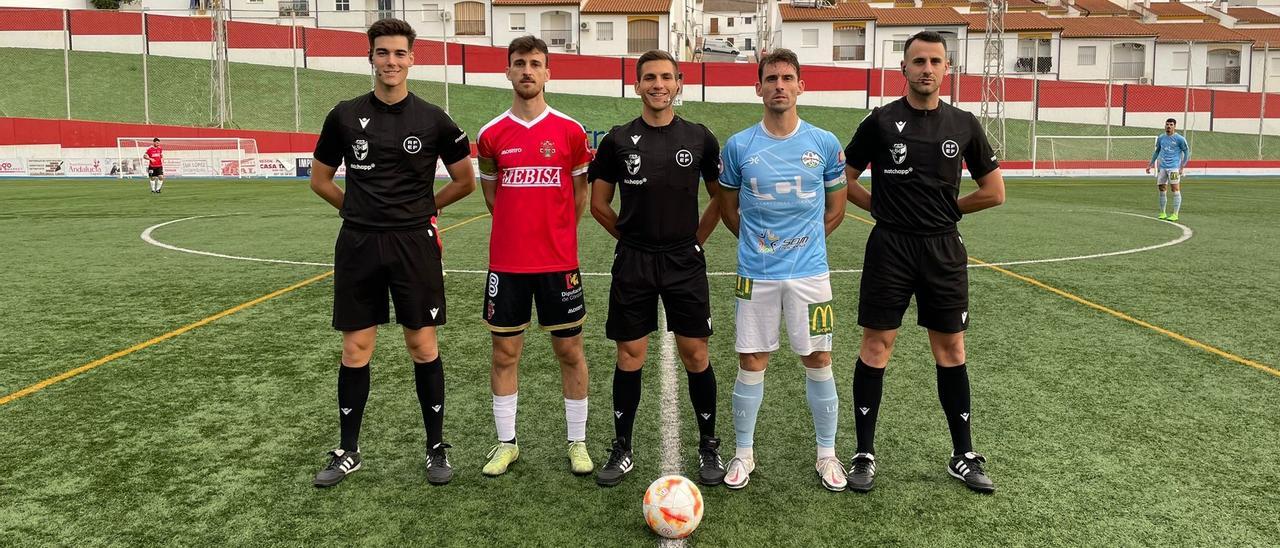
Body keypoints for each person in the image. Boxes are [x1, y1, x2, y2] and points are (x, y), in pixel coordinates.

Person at [308, 18, 476, 488]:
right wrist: (359, 209)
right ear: (370, 57)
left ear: (412, 59)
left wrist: (424, 210)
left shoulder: (433, 118)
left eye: (400, 53)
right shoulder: (343, 115)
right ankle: (348, 450)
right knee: (355, 347)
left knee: (422, 345)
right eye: (383, 53)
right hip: (359, 243)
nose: (391, 62)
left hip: (412, 244)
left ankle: (436, 448)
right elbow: (320, 180)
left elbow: (464, 181)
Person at [842, 30, 1005, 494]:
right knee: (877, 346)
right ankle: (864, 454)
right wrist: (875, 206)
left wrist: (953, 208)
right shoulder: (879, 121)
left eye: (935, 61)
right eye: (918, 61)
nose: (927, 69)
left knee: (951, 350)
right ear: (904, 69)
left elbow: (994, 192)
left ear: (947, 69)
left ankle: (963, 455)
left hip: (942, 250)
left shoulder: (965, 124)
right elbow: (843, 177)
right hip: (890, 248)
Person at [587, 50, 725, 487]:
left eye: (666, 77)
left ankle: (708, 446)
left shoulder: (700, 137)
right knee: (630, 355)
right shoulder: (617, 140)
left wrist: (694, 242)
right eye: (650, 77)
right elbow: (598, 204)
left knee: (696, 353)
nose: (658, 85)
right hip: (634, 261)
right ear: (637, 84)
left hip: (685, 260)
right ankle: (623, 447)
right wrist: (630, 240)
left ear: (679, 83)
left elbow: (719, 199)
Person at [718, 48, 849, 492]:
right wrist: (762, 247)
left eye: (787, 78)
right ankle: (742, 454)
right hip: (755, 272)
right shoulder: (739, 146)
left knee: (819, 358)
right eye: (770, 78)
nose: (779, 85)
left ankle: (827, 455)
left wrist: (802, 247)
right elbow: (728, 209)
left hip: (811, 274)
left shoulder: (824, 143)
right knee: (751, 359)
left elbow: (836, 210)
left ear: (800, 86)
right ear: (758, 88)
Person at [475, 36, 595, 477]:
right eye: (519, 63)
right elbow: (492, 195)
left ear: (548, 73)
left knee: (570, 350)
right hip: (507, 264)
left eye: (536, 64)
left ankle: (577, 442)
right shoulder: (491, 135)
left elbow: (580, 194)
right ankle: (507, 444)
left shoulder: (570, 131)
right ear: (508, 72)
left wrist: (557, 233)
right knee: (505, 353)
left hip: (558, 263)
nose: (527, 71)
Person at [1145, 118, 1190, 221]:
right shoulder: (1161, 138)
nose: (1168, 126)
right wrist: (1150, 164)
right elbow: (1157, 151)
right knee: (1161, 189)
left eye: (1171, 125)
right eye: (1167, 124)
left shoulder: (1180, 139)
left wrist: (1182, 166)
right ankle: (1163, 212)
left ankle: (1175, 214)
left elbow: (1186, 152)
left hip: (1174, 168)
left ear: (1174, 126)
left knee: (1175, 189)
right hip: (1163, 168)